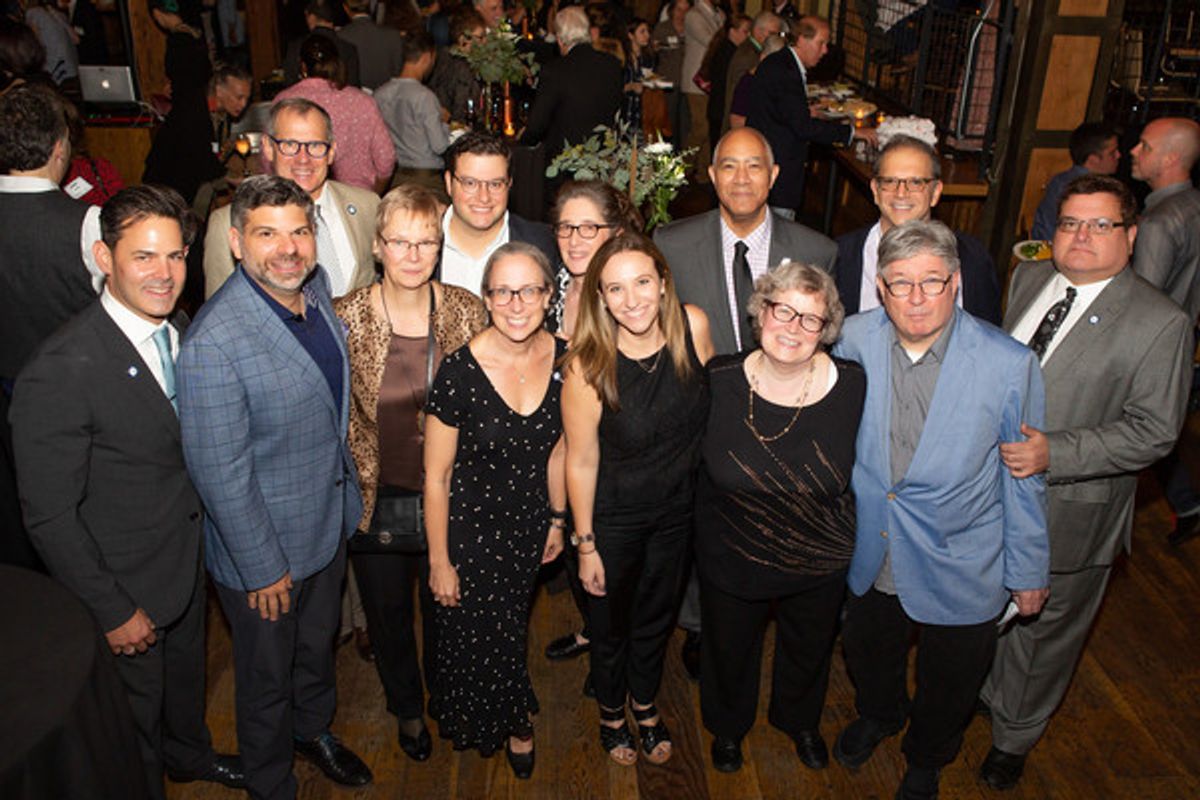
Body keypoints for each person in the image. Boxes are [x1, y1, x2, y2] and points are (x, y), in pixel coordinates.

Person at [10, 185, 244, 799]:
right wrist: (113, 611)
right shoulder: (59, 371)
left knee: (184, 686)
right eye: (144, 256)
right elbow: (50, 518)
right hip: (125, 588)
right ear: (103, 257)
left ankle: (190, 754)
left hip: (186, 566)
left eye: (176, 255)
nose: (165, 274)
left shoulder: (181, 328)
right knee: (133, 730)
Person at [979, 175, 1193, 791]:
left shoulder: (1161, 322)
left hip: (1071, 506)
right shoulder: (1028, 279)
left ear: (1131, 235)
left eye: (1101, 225)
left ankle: (1013, 736)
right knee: (987, 608)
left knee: (1044, 634)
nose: (1082, 237)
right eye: (1071, 223)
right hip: (989, 492)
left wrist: (1056, 452)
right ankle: (985, 692)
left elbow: (1154, 432)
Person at [831, 219, 1049, 800]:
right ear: (880, 287)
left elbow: (1022, 474)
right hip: (872, 542)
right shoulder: (850, 340)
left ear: (956, 283)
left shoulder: (1008, 363)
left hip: (964, 554)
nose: (917, 298)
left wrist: (1027, 569)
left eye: (932, 281)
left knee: (951, 676)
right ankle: (880, 714)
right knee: (867, 650)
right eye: (901, 283)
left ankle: (927, 755)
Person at [179, 175, 372, 799]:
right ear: (237, 243)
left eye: (299, 231)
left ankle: (313, 731)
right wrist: (261, 568)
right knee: (265, 682)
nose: (288, 248)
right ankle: (271, 782)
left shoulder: (312, 289)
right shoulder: (215, 340)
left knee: (315, 653)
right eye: (268, 233)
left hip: (324, 523)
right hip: (262, 554)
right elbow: (219, 471)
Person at [654, 126, 836, 675]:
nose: (741, 178)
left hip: (785, 415)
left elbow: (823, 335)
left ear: (774, 175)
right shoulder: (671, 242)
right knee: (700, 523)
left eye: (754, 166)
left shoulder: (815, 249)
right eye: (728, 166)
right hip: (701, 416)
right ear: (710, 177)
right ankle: (697, 624)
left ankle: (762, 616)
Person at [335, 184, 487, 764]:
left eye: (426, 242)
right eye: (401, 241)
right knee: (389, 618)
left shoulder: (466, 311)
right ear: (379, 247)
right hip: (376, 497)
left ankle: (446, 696)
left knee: (446, 612)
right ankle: (406, 709)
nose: (413, 254)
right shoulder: (345, 318)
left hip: (451, 496)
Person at [698, 260, 865, 774]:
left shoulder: (853, 386)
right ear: (760, 313)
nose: (792, 327)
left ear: (826, 330)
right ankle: (727, 727)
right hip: (733, 551)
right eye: (782, 310)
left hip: (818, 555)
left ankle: (800, 721)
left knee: (809, 649)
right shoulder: (719, 378)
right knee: (728, 649)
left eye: (809, 319)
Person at [562, 233, 715, 766]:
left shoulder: (693, 328)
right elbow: (579, 461)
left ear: (664, 282)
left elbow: (713, 415)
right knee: (609, 628)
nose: (633, 300)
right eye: (616, 289)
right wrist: (584, 545)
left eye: (643, 282)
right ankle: (610, 713)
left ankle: (644, 705)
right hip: (613, 520)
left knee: (655, 621)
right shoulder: (586, 365)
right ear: (600, 299)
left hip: (678, 514)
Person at [423, 242, 566, 778]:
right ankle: (516, 722)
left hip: (530, 526)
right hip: (470, 529)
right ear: (486, 297)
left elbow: (561, 450)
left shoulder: (567, 357)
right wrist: (439, 560)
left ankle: (504, 712)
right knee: (490, 631)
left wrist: (557, 518)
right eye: (502, 290)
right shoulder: (459, 371)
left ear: (548, 295)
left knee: (506, 626)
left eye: (529, 289)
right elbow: (435, 477)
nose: (516, 302)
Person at [542, 180, 643, 681]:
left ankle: (612, 662)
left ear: (616, 232)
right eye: (566, 227)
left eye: (589, 228)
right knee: (582, 565)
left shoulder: (627, 299)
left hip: (614, 463)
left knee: (610, 569)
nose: (575, 238)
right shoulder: (555, 287)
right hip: (560, 453)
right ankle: (594, 631)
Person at [204, 98, 380, 298]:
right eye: (289, 145)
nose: (303, 159)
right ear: (268, 148)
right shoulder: (226, 224)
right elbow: (220, 316)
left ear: (331, 152)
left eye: (315, 146)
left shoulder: (367, 206)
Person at [835, 134, 1002, 323]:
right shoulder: (840, 258)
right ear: (875, 190)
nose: (901, 193)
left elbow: (987, 337)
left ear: (936, 192)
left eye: (915, 183)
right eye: (890, 181)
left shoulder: (971, 259)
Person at [1128, 117, 1200, 546]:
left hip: (1151, 353)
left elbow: (1144, 302)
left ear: (1171, 158)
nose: (1134, 152)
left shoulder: (1158, 222)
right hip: (1184, 345)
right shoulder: (1194, 206)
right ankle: (1188, 503)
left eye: (1145, 146)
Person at [746, 16, 874, 216]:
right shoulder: (786, 71)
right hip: (776, 170)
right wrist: (854, 132)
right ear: (802, 40)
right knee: (779, 236)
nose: (825, 50)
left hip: (768, 161)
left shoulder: (781, 62)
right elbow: (804, 127)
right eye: (821, 43)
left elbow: (782, 112)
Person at [142, 29, 252, 207]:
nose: (243, 104)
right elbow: (201, 157)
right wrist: (230, 179)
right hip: (163, 189)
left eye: (247, 98)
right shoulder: (192, 110)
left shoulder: (223, 113)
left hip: (186, 187)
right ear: (219, 90)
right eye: (239, 97)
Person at [438, 131, 557, 295]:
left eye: (495, 184)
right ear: (448, 183)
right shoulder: (418, 245)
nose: (484, 197)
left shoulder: (543, 244)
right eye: (470, 183)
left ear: (509, 185)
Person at [274, 35, 394, 194]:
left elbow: (269, 161)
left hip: (297, 199)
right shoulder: (362, 102)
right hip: (355, 200)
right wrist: (372, 196)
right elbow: (386, 159)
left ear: (303, 67)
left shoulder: (283, 101)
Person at [520, 6, 623, 165]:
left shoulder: (555, 70)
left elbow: (538, 124)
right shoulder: (613, 65)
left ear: (560, 40)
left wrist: (524, 140)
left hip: (565, 161)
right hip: (604, 157)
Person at [374, 31, 451, 196]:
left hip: (396, 178)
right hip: (427, 180)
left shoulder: (380, 94)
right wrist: (444, 123)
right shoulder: (425, 96)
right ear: (427, 57)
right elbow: (439, 146)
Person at [1030, 122, 1120, 242]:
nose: (1119, 155)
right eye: (1112, 153)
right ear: (1093, 159)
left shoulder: (1060, 180)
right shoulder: (1086, 189)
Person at [680, 0, 723, 180]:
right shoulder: (693, 15)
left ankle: (704, 172)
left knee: (707, 125)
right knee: (701, 128)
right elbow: (711, 40)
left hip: (709, 79)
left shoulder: (718, 13)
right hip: (695, 80)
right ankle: (680, 169)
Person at [722, 11, 782, 129]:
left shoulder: (754, 50)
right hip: (741, 129)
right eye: (772, 33)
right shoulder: (748, 56)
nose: (775, 38)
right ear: (758, 31)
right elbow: (737, 102)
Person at [703, 14, 750, 159]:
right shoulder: (728, 53)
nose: (748, 36)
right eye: (745, 31)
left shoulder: (726, 48)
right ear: (732, 32)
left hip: (717, 107)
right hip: (720, 108)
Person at [428, 7, 485, 124]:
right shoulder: (463, 68)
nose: (485, 42)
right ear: (463, 39)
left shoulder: (441, 56)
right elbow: (462, 114)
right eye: (480, 37)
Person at [283, 0, 361, 87]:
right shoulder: (348, 48)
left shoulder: (295, 47)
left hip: (304, 99)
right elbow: (354, 86)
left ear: (311, 17)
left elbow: (289, 85)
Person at [338, 0, 405, 90]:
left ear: (346, 8)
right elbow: (399, 73)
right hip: (387, 98)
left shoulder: (340, 36)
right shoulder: (393, 35)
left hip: (354, 99)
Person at [651, 0, 690, 151]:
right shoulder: (663, 28)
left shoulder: (691, 28)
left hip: (687, 81)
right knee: (669, 121)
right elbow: (652, 50)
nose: (682, 14)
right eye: (679, 10)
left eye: (686, 10)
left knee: (685, 123)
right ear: (672, 10)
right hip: (668, 81)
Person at [621, 18, 654, 134]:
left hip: (642, 113)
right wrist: (630, 87)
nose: (647, 35)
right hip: (624, 111)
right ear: (631, 35)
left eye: (648, 31)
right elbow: (612, 87)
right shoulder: (621, 58)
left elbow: (650, 78)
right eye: (642, 32)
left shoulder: (648, 58)